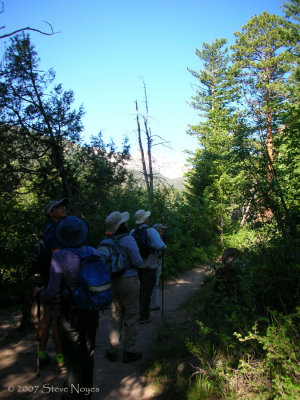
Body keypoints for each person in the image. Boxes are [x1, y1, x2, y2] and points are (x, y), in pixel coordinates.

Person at [35, 216, 99, 399]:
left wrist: (39, 294)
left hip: (70, 313)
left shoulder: (59, 257)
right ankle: (87, 392)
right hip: (91, 310)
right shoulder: (93, 252)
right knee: (89, 353)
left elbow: (52, 290)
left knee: (73, 355)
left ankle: (73, 394)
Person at [99, 211, 143, 363]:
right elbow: (137, 261)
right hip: (129, 280)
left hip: (112, 281)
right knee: (131, 315)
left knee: (116, 315)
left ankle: (112, 349)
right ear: (122, 224)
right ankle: (129, 350)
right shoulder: (128, 239)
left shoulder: (106, 240)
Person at [35, 198, 68, 373]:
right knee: (56, 320)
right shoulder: (55, 231)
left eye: (62, 206)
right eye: (58, 207)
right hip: (55, 281)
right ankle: (60, 360)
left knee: (46, 318)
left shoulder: (47, 230)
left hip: (46, 279)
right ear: (50, 213)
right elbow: (57, 257)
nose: (63, 208)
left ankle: (41, 356)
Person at [131, 210, 166, 324]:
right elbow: (160, 246)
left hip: (137, 266)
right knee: (147, 290)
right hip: (150, 265)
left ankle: (140, 313)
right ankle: (144, 316)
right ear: (146, 220)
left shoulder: (133, 232)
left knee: (141, 290)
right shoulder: (151, 231)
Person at [150, 223, 167, 311]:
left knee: (155, 283)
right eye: (161, 229)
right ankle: (152, 304)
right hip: (155, 263)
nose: (163, 231)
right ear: (157, 230)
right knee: (154, 283)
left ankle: (154, 303)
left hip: (155, 263)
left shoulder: (157, 238)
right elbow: (159, 254)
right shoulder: (156, 239)